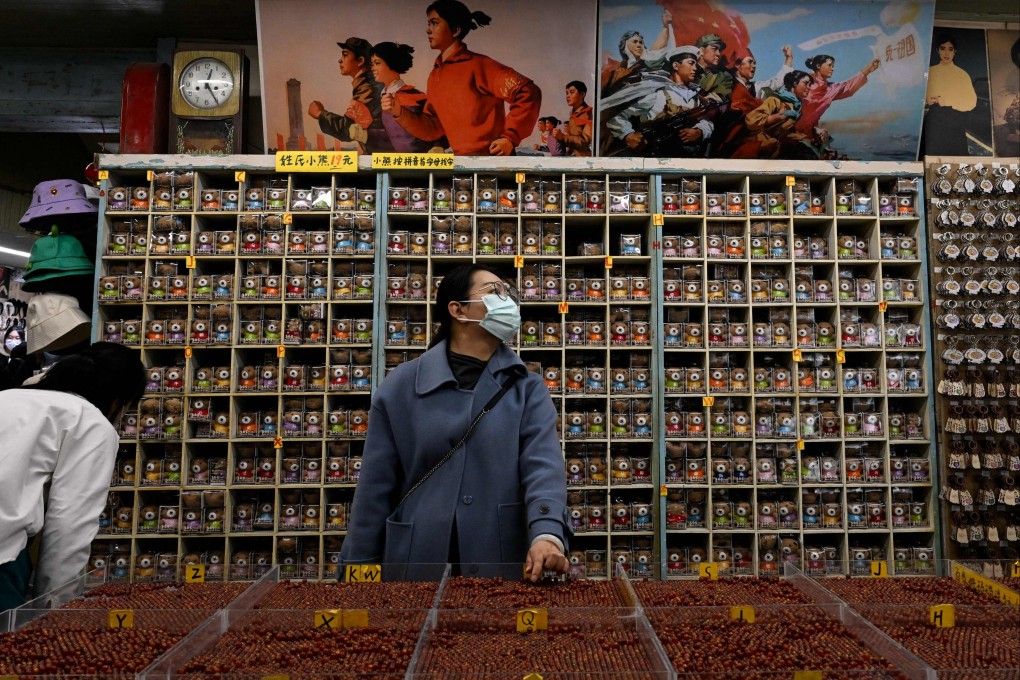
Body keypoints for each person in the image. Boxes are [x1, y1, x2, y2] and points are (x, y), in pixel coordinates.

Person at [339, 264, 569, 581]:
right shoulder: (401, 387)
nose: (508, 301)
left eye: (509, 293)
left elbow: (543, 467)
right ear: (458, 310)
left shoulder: (527, 389)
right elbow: (375, 488)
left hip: (499, 556)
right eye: (495, 292)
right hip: (417, 557)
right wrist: (358, 572)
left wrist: (547, 534)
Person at [0, 342, 145, 611]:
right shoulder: (88, 422)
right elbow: (69, 524)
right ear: (118, 401)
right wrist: (52, 612)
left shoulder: (7, 397)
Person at [385, 0, 541, 156]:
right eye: (429, 24)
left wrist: (510, 137)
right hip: (463, 163)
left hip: (493, 161)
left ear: (455, 30)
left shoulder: (480, 65)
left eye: (435, 23)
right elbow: (433, 127)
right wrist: (399, 112)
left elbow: (527, 90)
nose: (428, 30)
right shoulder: (435, 75)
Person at [605, 46, 716, 157]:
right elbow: (617, 117)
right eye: (691, 63)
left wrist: (699, 132)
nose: (695, 68)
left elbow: (706, 121)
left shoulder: (693, 96)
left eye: (696, 64)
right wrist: (628, 135)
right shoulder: (657, 93)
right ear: (676, 66)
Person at [308, 37, 390, 152]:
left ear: (360, 61)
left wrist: (320, 114)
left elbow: (348, 129)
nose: (340, 60)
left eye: (345, 55)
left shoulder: (367, 88)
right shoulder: (368, 84)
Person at [365, 41, 435, 153]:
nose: (372, 68)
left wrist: (438, 146)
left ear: (392, 63)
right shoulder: (382, 98)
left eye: (377, 63)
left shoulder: (416, 96)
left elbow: (436, 128)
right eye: (372, 64)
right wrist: (364, 135)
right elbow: (391, 136)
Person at [728, 70, 813, 159]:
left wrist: (804, 138)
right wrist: (777, 117)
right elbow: (751, 120)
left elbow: (784, 132)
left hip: (772, 149)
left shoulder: (796, 107)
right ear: (795, 83)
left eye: (810, 85)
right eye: (806, 83)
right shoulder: (775, 100)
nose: (809, 87)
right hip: (755, 146)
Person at [795, 53, 880, 136]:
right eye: (829, 65)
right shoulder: (804, 82)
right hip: (790, 126)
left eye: (833, 66)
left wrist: (867, 71)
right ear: (818, 66)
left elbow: (848, 87)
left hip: (806, 132)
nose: (832, 69)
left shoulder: (831, 89)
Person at [923, 33, 979, 155]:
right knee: (932, 159)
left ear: (955, 51)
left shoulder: (962, 75)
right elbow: (917, 98)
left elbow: (971, 102)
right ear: (937, 50)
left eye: (950, 49)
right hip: (934, 123)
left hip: (955, 123)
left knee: (956, 159)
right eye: (943, 48)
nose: (946, 53)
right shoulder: (929, 72)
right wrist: (926, 100)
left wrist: (946, 101)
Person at [600, 8, 674, 99]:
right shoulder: (613, 72)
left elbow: (658, 47)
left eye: (641, 42)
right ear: (625, 46)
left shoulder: (645, 63)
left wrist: (665, 27)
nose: (639, 45)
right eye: (634, 42)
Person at [552, 81, 593, 156]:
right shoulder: (573, 113)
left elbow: (587, 142)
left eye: (571, 92)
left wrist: (563, 137)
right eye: (567, 93)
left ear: (582, 94)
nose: (568, 96)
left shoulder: (589, 113)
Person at [695, 33, 734, 98]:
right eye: (714, 49)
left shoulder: (723, 76)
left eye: (720, 50)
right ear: (701, 51)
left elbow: (719, 98)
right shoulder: (685, 69)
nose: (718, 54)